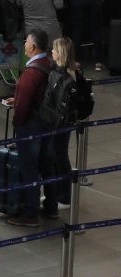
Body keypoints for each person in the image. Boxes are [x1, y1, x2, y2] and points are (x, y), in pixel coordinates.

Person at [4, 29, 52, 227]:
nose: (24, 44)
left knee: (29, 168)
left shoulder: (31, 72)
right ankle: (51, 206)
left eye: (26, 42)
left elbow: (23, 106)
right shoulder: (48, 65)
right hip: (46, 122)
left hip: (30, 126)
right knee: (46, 165)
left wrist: (17, 121)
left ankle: (30, 213)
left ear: (32, 47)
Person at [49, 37, 79, 209]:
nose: (51, 52)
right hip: (61, 122)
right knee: (57, 155)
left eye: (54, 49)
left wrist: (54, 124)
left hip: (61, 123)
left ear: (60, 53)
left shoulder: (65, 77)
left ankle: (65, 196)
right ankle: (58, 193)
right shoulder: (65, 73)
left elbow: (61, 105)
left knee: (59, 155)